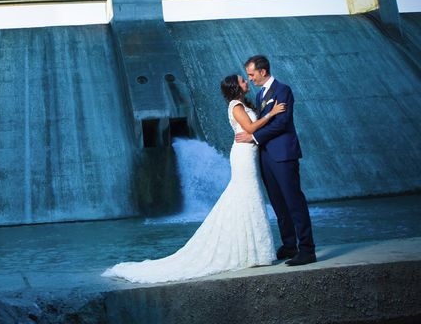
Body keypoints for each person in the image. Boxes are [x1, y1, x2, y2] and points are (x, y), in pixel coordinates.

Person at [102, 74, 285, 283]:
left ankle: (252, 251)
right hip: (243, 155)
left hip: (249, 153)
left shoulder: (243, 104)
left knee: (247, 197)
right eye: (243, 80)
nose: (246, 82)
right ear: (236, 87)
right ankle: (250, 252)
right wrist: (271, 114)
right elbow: (250, 129)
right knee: (246, 195)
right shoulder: (236, 105)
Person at [235, 55, 316, 266]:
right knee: (279, 204)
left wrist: (253, 137)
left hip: (283, 155)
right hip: (266, 157)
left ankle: (307, 249)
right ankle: (289, 245)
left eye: (252, 74)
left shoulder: (283, 90)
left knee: (294, 201)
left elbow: (282, 123)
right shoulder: (261, 94)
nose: (250, 79)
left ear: (263, 71)